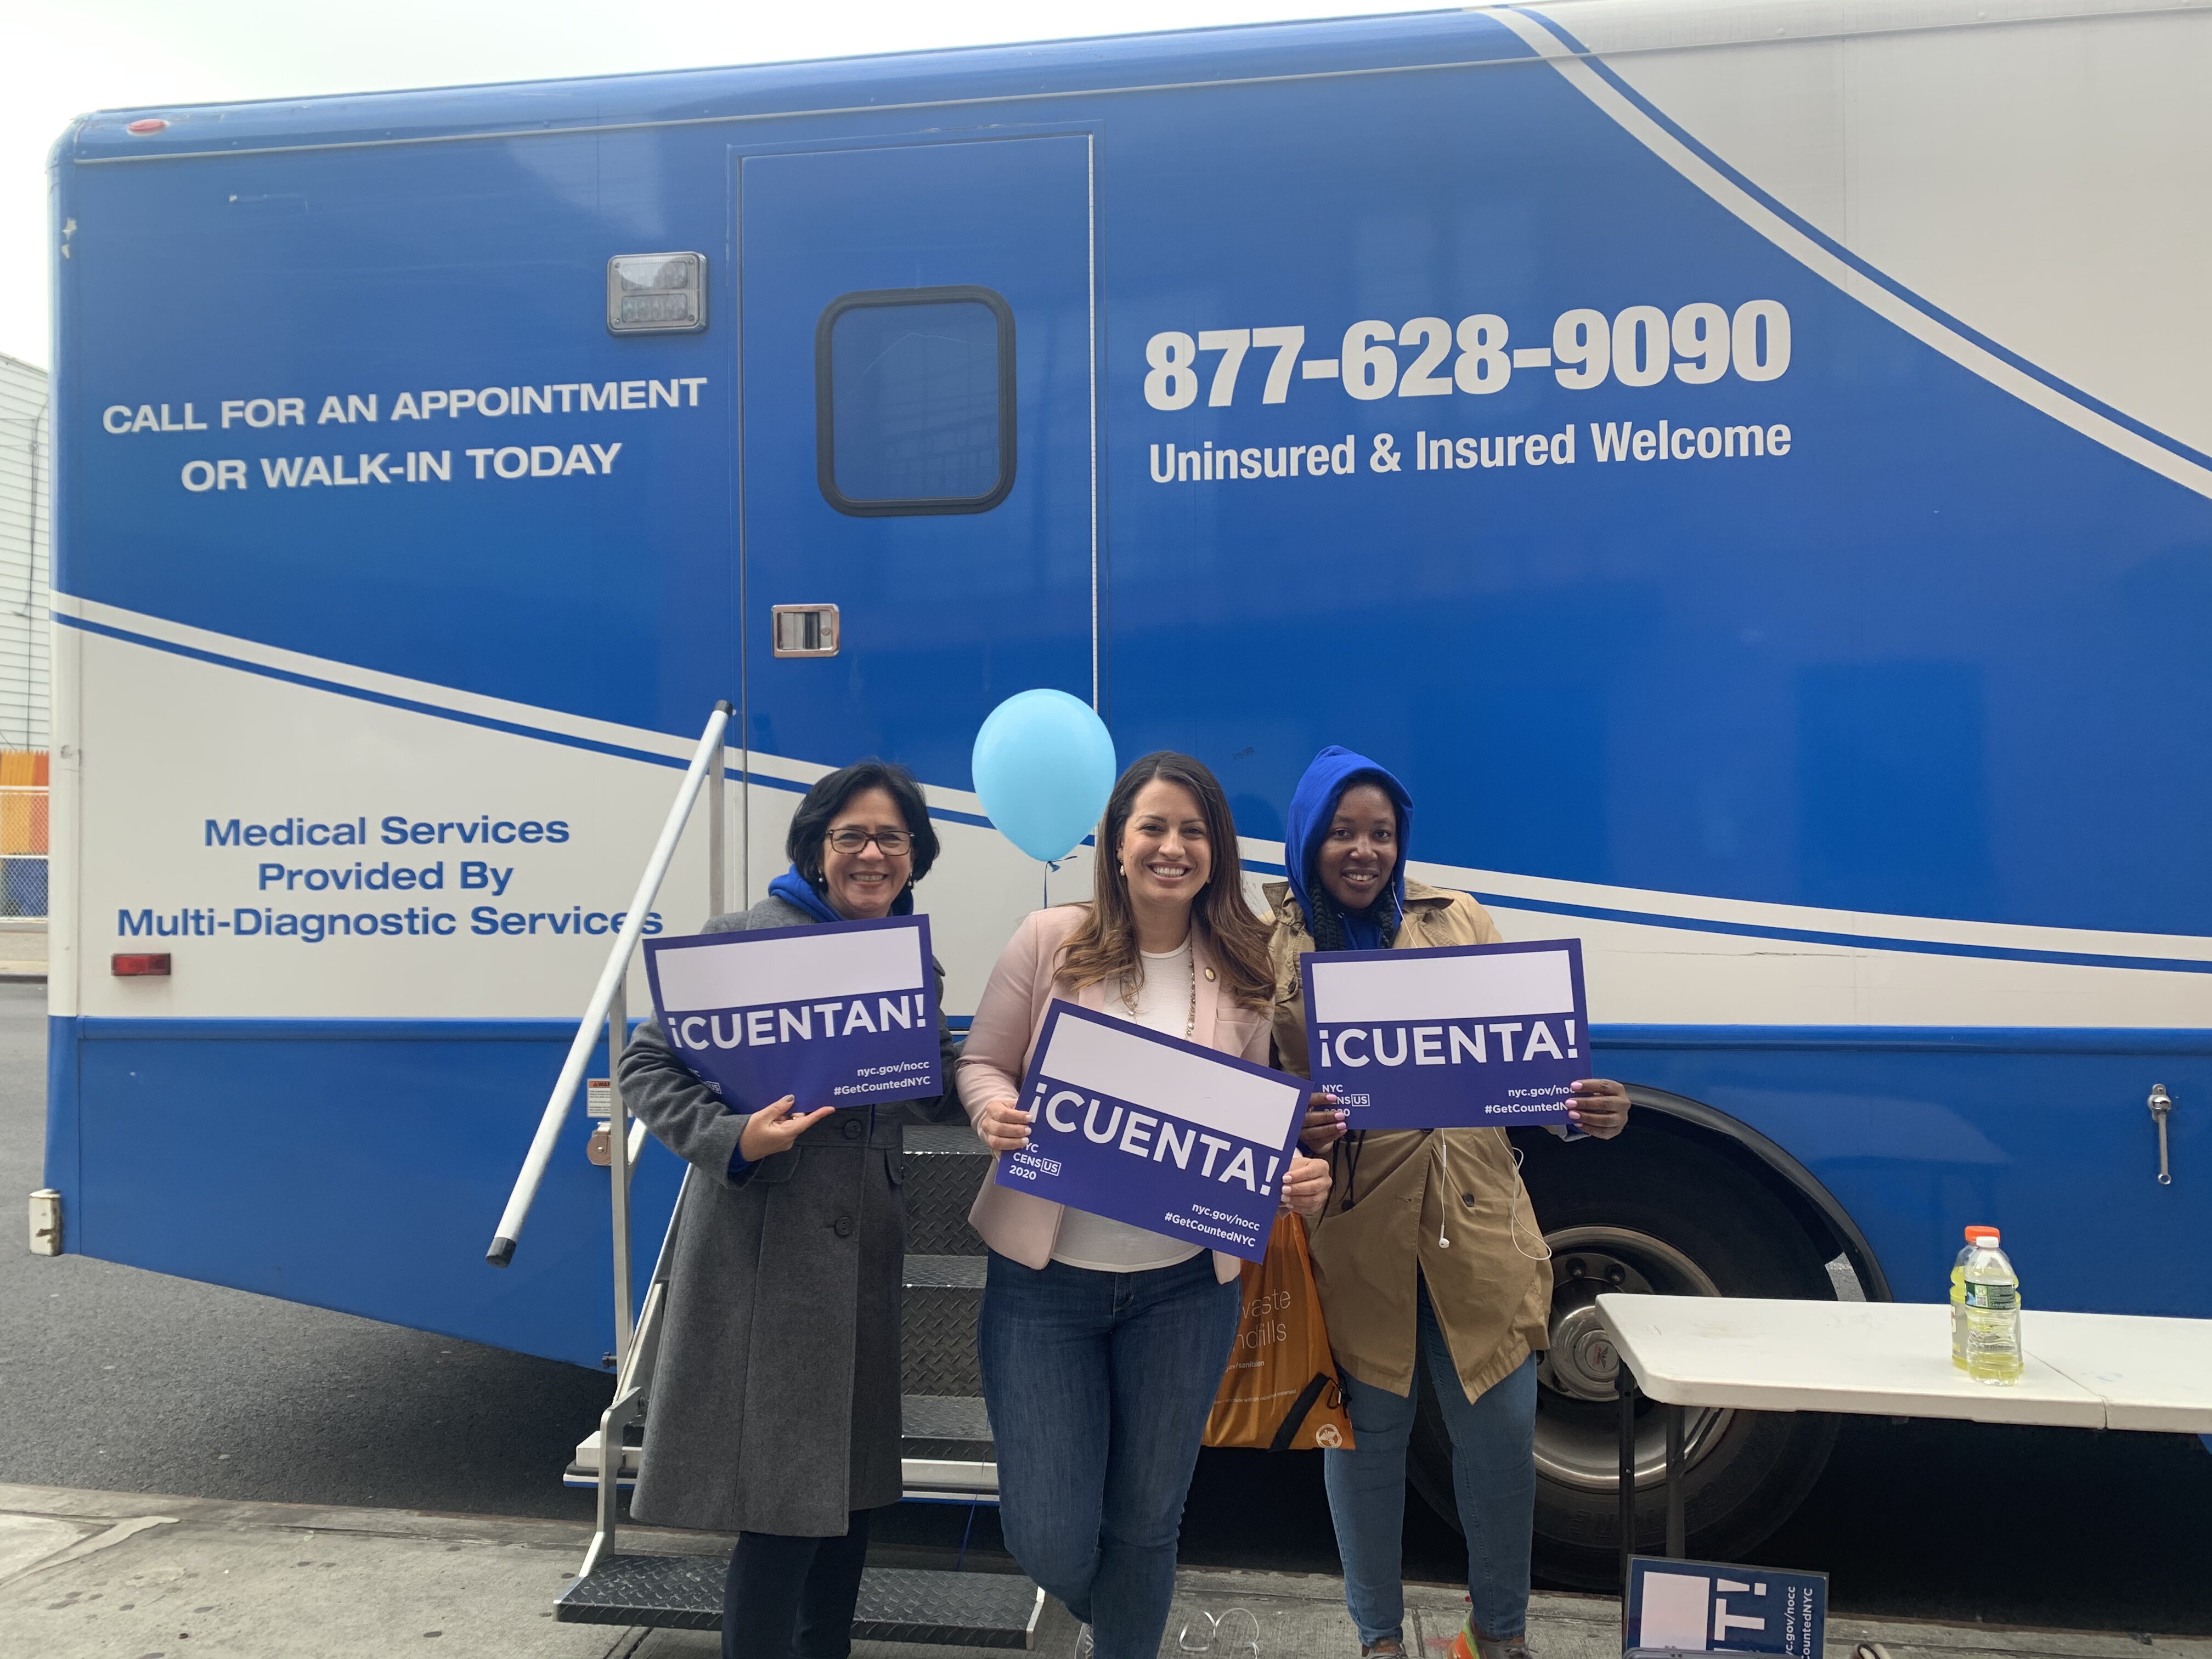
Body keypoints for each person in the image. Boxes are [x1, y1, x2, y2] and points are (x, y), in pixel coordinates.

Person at [962, 751, 1334, 1659]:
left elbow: (1258, 1119)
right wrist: (995, 1112)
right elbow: (981, 1062)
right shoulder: (1049, 940)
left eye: (1194, 830)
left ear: (1217, 852)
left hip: (1182, 1290)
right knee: (1045, 1534)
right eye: (1154, 828)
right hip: (1045, 1285)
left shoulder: (1244, 969)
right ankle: (1127, 1622)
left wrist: (1299, 1177)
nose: (1173, 847)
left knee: (1147, 1524)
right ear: (1116, 845)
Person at [1266, 746, 1632, 1659]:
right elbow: (1253, 1093)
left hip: (1477, 1218)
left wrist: (1587, 1110)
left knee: (1502, 1435)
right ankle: (1378, 1641)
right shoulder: (1268, 947)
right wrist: (1294, 1124)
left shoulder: (1457, 917)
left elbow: (1525, 1068)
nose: (1364, 851)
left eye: (1381, 834)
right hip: (1357, 1230)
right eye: (1342, 832)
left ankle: (1497, 1638)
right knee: (1365, 1441)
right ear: (1308, 839)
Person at [617, 760, 963, 1659]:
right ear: (816, 850)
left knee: (848, 1507)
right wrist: (734, 1135)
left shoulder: (908, 957)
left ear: (915, 855)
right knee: (779, 1516)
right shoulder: (746, 939)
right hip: (767, 1257)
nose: (872, 853)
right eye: (851, 835)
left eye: (891, 837)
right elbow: (645, 1067)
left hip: (862, 1263)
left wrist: (1006, 1087)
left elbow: (923, 1085)